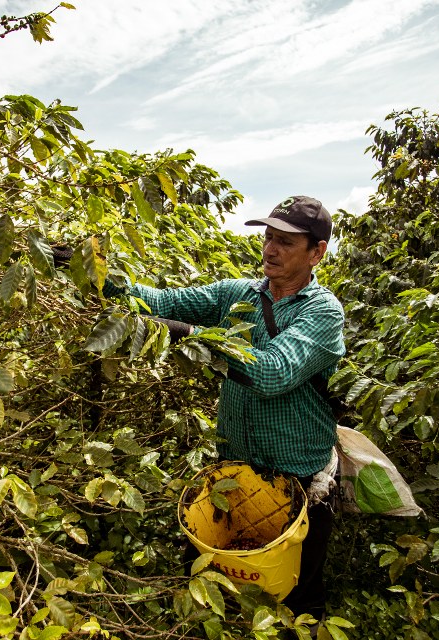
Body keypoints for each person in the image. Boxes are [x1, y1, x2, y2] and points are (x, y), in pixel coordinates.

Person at [102, 196, 346, 625]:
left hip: (301, 476)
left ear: (317, 253)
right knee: (217, 576)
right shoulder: (237, 294)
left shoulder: (322, 311)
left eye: (286, 242)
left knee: (298, 595)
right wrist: (97, 272)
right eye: (268, 237)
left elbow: (271, 374)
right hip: (234, 466)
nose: (270, 249)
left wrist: (197, 336)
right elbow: (159, 302)